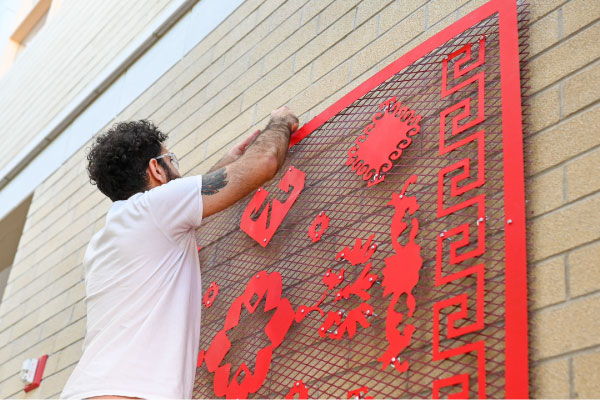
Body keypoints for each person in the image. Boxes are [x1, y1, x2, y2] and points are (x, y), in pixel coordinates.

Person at [60, 107, 299, 399]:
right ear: (156, 169)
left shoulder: (111, 235)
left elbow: (178, 211)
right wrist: (280, 120)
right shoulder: (154, 208)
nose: (177, 168)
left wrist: (228, 164)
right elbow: (265, 161)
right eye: (170, 159)